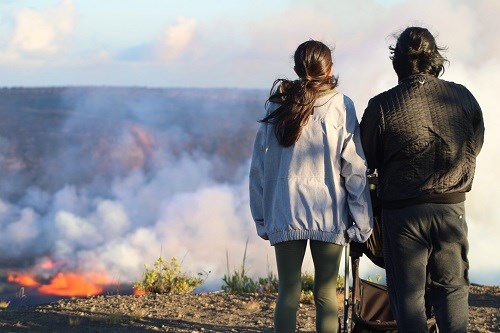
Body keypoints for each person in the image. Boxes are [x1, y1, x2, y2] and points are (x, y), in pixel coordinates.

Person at [360, 27, 485, 333]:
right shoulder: (463, 97)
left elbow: (366, 157)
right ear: (434, 59)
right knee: (452, 287)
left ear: (397, 63)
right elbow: (475, 142)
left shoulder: (382, 106)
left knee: (408, 293)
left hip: (403, 213)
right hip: (450, 208)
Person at [249, 40, 373, 333]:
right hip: (328, 214)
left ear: (295, 68)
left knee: (288, 294)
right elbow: (354, 169)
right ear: (329, 69)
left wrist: (262, 217)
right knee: (326, 294)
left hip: (285, 211)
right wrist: (363, 221)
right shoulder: (342, 106)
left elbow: (258, 168)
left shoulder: (276, 107)